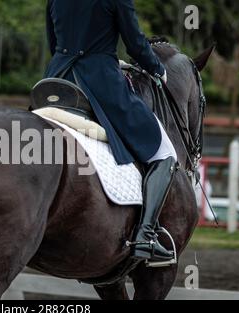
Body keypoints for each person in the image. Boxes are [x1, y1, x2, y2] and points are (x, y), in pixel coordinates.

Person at [44, 0, 178, 262]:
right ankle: (146, 236)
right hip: (100, 82)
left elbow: (54, 43)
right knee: (163, 151)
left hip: (57, 81)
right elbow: (136, 44)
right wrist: (157, 69)